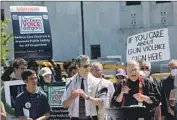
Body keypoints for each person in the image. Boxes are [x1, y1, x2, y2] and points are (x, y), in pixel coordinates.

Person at [62, 55, 108, 120]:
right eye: (85, 66)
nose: (88, 68)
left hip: (92, 117)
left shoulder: (98, 82)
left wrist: (86, 97)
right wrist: (71, 98)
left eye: (89, 65)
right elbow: (64, 105)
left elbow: (102, 102)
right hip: (75, 118)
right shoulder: (69, 82)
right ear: (78, 67)